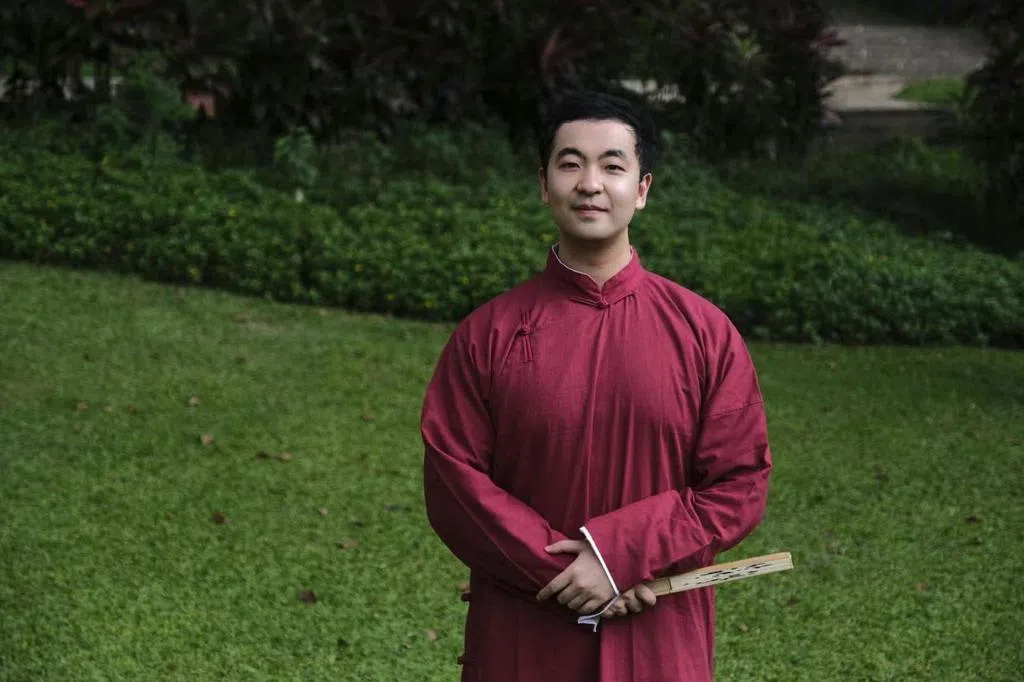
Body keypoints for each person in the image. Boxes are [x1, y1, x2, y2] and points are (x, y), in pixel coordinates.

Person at [420, 90, 773, 681]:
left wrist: (621, 556)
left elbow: (740, 482)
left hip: (658, 636)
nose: (590, 184)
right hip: (524, 635)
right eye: (570, 164)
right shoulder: (488, 335)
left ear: (642, 188)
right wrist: (568, 573)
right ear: (544, 185)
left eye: (612, 165)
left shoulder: (704, 333)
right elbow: (455, 483)